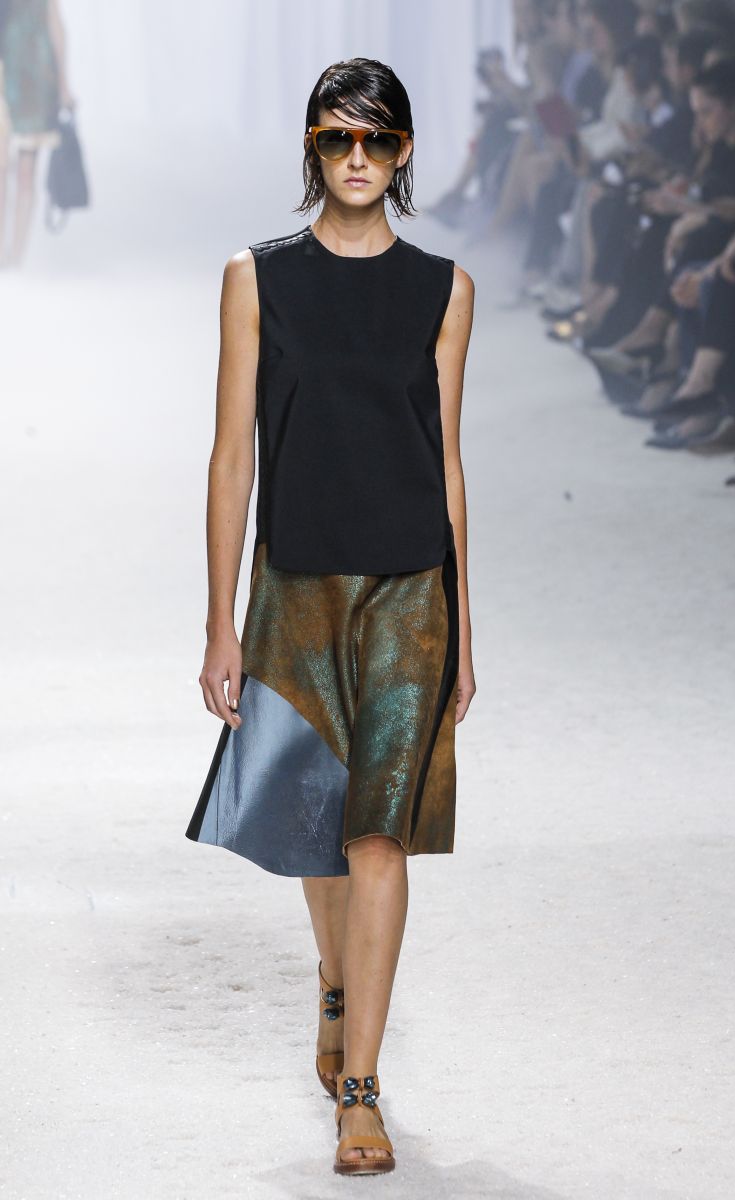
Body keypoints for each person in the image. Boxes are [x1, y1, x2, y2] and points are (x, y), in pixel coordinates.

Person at [183, 58, 476, 1176]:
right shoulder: (255, 279)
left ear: (403, 153)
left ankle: (361, 1090)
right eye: (336, 139)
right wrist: (220, 623)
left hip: (409, 589)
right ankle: (337, 981)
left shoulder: (444, 289)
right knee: (319, 827)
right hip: (297, 586)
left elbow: (447, 465)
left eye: (377, 140)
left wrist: (465, 625)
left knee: (377, 835)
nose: (358, 158)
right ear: (311, 148)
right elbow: (232, 457)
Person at [0, 0, 74, 267]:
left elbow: (56, 27)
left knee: (26, 172)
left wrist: (64, 85)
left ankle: (15, 257)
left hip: (36, 81)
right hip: (5, 74)